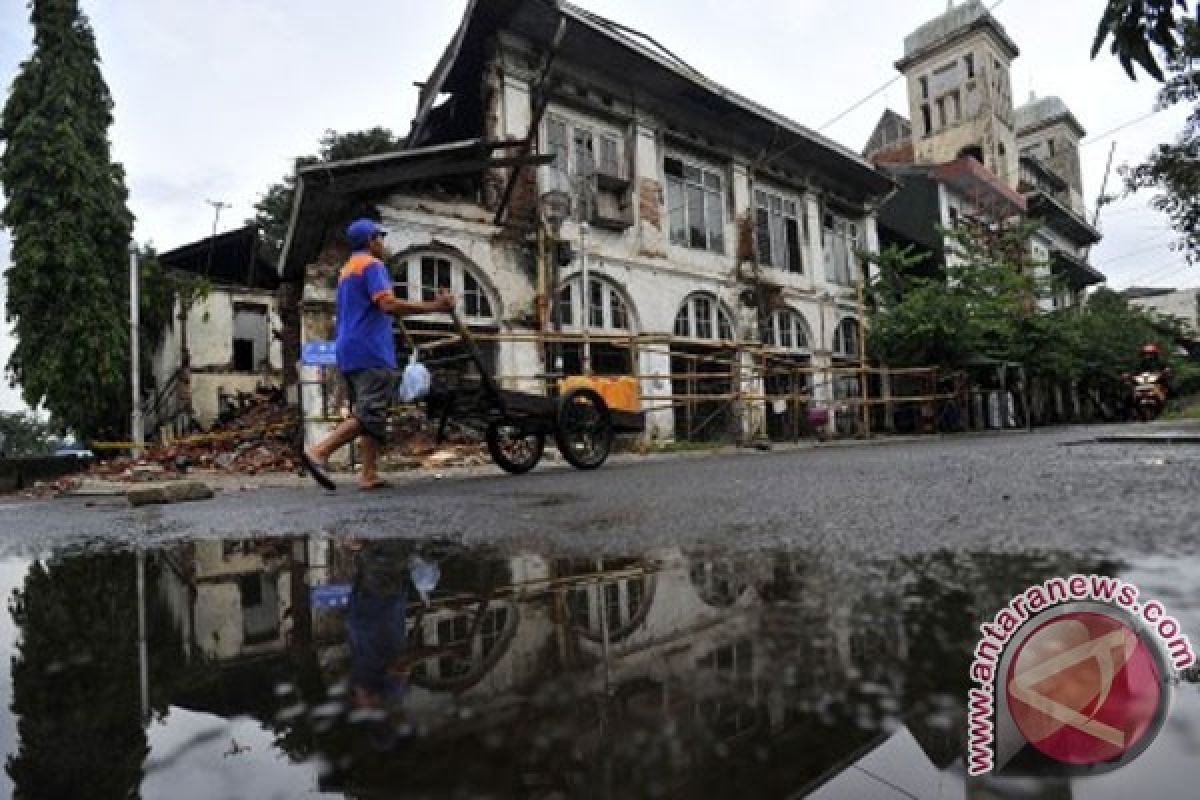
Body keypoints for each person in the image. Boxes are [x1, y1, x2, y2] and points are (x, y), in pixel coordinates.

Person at [302, 218, 455, 490]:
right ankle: (320, 452)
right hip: (370, 349)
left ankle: (369, 474)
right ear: (372, 240)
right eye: (380, 237)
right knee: (369, 413)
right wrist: (435, 306)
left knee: (369, 412)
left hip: (348, 350)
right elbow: (387, 304)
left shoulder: (347, 270)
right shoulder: (372, 265)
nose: (383, 243)